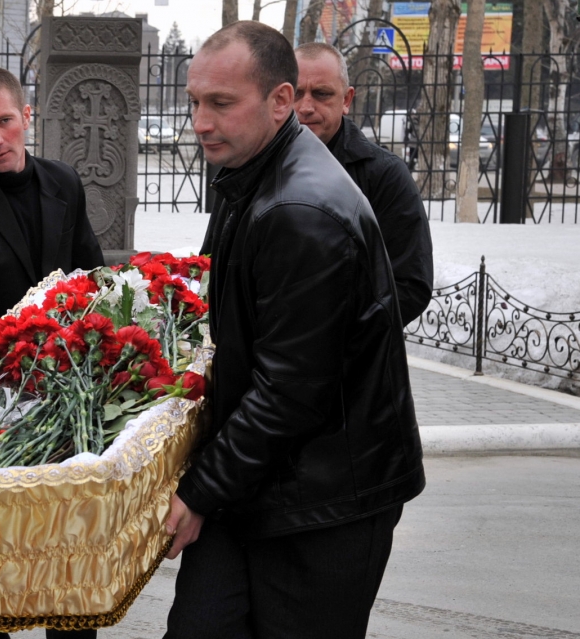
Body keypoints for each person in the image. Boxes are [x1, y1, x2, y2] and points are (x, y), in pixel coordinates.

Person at [164, 21, 425, 639]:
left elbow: (290, 391)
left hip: (323, 504)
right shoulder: (254, 168)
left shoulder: (299, 211)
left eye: (220, 103)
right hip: (261, 477)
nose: (200, 121)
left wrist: (200, 491)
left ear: (279, 101)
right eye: (195, 102)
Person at [0, 67, 104, 339]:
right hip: (1, 353)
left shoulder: (64, 181)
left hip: (73, 347)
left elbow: (92, 275)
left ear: (26, 117)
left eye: (4, 121)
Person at [294, 42, 433, 325]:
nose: (306, 107)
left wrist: (319, 332)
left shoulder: (384, 176)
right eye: (296, 94)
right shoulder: (251, 167)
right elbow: (215, 265)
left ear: (346, 100)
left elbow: (409, 286)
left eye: (321, 94)